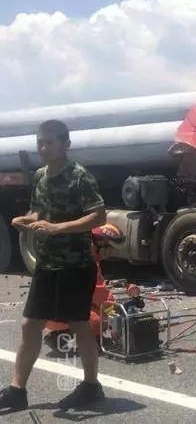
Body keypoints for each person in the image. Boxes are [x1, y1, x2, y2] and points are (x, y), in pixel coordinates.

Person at [0, 120, 107, 412]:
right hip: (47, 264)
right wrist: (27, 220)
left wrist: (58, 228)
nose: (43, 147)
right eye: (40, 142)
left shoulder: (79, 176)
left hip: (75, 265)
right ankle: (17, 390)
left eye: (49, 142)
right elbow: (38, 211)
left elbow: (98, 217)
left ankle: (91, 387)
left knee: (79, 325)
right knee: (29, 324)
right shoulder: (39, 176)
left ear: (65, 144)